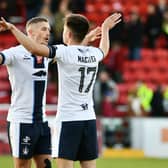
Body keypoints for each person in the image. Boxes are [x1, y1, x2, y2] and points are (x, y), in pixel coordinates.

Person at [0, 12, 122, 168]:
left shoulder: (57, 52)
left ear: (68, 33)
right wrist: (102, 31)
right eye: (44, 29)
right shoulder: (15, 53)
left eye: (49, 30)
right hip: (25, 120)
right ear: (30, 32)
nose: (48, 33)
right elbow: (82, 52)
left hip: (55, 121)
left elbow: (65, 53)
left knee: (48, 165)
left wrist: (12, 28)